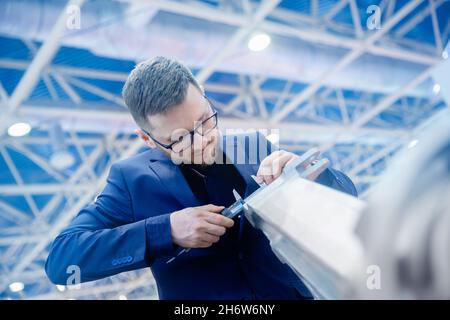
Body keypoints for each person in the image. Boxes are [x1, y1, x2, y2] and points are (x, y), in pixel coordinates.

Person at [45, 56, 357, 299]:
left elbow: (346, 195)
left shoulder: (253, 145)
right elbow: (62, 259)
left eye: (205, 120)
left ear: (204, 96)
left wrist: (303, 178)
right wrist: (166, 231)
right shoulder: (131, 180)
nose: (202, 140)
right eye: (180, 139)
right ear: (147, 139)